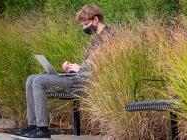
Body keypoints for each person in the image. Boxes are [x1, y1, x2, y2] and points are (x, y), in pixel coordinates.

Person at [16, 4, 114, 138]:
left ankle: (42, 129)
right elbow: (89, 64)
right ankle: (32, 126)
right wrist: (74, 67)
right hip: (78, 76)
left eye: (85, 24)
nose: (84, 28)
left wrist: (80, 69)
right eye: (82, 25)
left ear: (96, 20)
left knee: (38, 81)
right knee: (31, 79)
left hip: (86, 82)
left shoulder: (109, 37)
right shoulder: (96, 38)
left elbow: (107, 65)